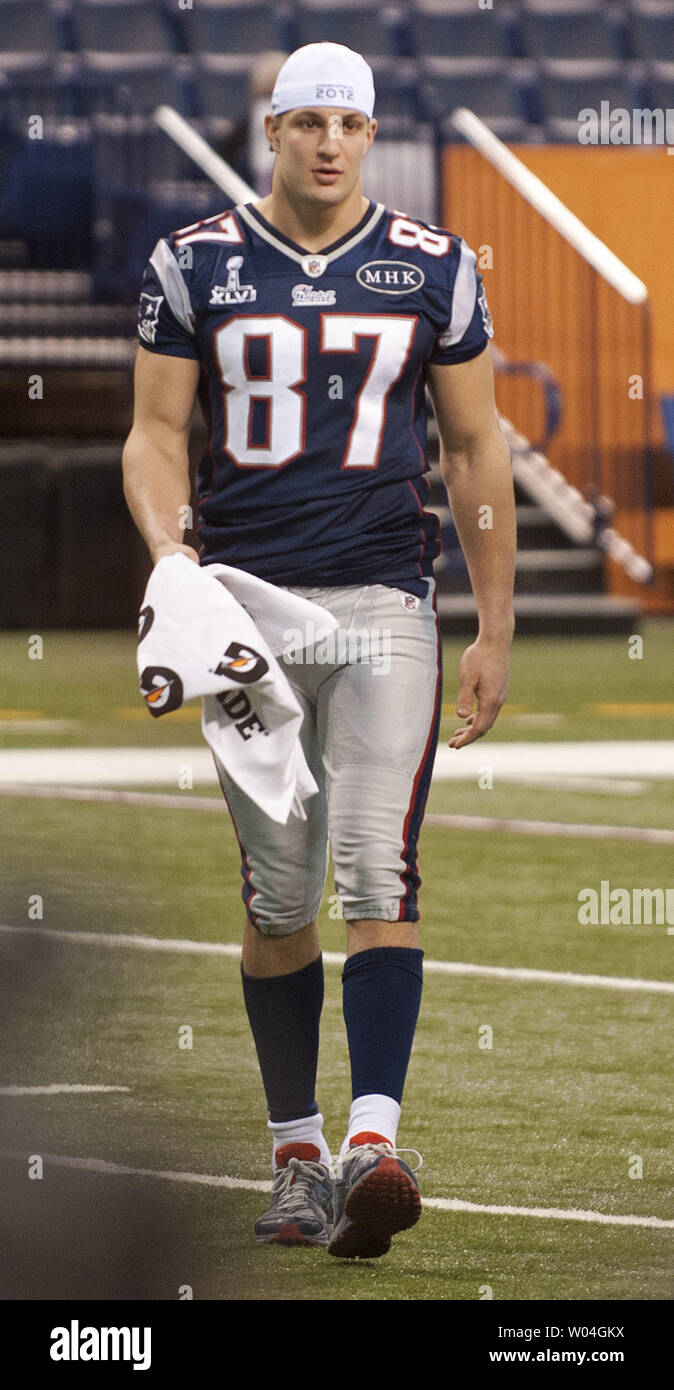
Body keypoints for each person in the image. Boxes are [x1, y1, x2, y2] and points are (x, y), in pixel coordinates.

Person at [122, 42, 516, 1260]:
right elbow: (152, 432)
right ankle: (296, 1150)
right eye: (308, 122)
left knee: (372, 862)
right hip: (246, 610)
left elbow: (475, 449)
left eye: (349, 121)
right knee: (278, 887)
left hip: (384, 599)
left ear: (371, 132)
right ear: (274, 131)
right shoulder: (194, 262)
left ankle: (372, 1142)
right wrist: (172, 561)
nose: (330, 142)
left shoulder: (433, 265)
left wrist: (494, 623)